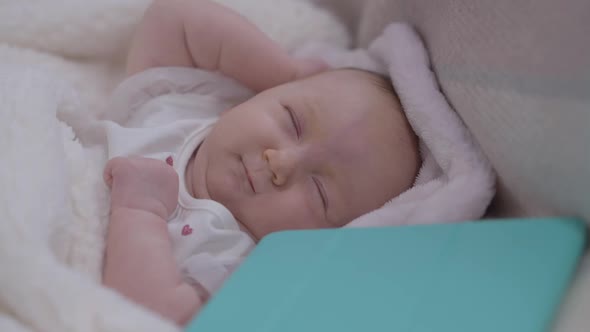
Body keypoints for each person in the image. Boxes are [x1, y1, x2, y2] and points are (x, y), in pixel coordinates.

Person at [101, 0, 420, 325]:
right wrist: (283, 70)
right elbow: (172, 18)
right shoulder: (184, 103)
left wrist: (140, 212)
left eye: (319, 190)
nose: (282, 163)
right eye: (293, 122)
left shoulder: (232, 259)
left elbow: (153, 317)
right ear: (264, 92)